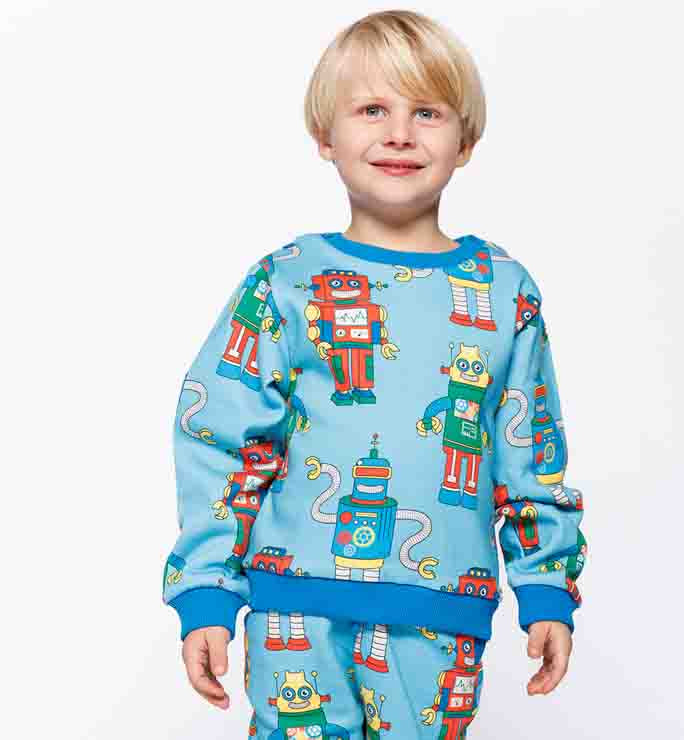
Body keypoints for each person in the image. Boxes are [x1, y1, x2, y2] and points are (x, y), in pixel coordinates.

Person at [162, 10, 588, 738]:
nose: (399, 134)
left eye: (427, 112)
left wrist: (546, 586)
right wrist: (206, 590)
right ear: (325, 136)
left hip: (441, 614)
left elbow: (531, 450)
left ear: (465, 141)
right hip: (293, 606)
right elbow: (222, 438)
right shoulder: (285, 281)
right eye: (371, 110)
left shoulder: (504, 290)